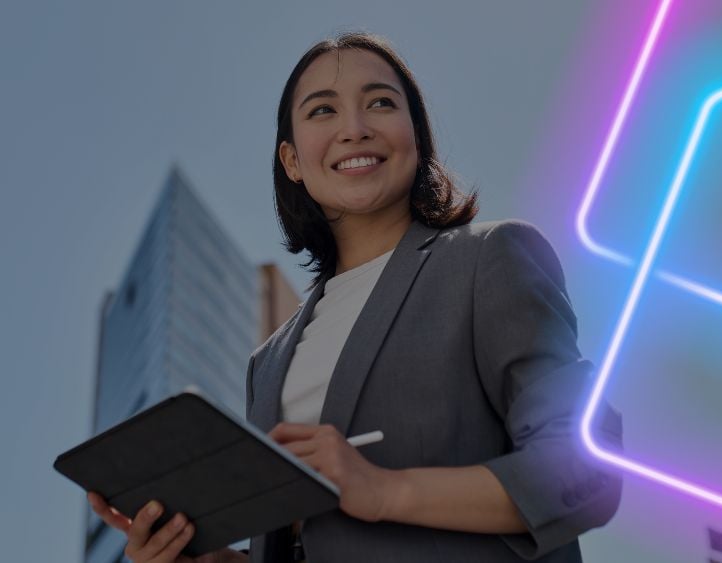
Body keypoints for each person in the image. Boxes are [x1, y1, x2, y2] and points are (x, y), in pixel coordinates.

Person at [87, 31, 624, 563]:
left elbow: (585, 470)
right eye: (323, 111)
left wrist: (386, 490)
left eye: (381, 103)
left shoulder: (489, 258)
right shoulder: (266, 363)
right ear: (292, 161)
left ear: (416, 137)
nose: (355, 129)